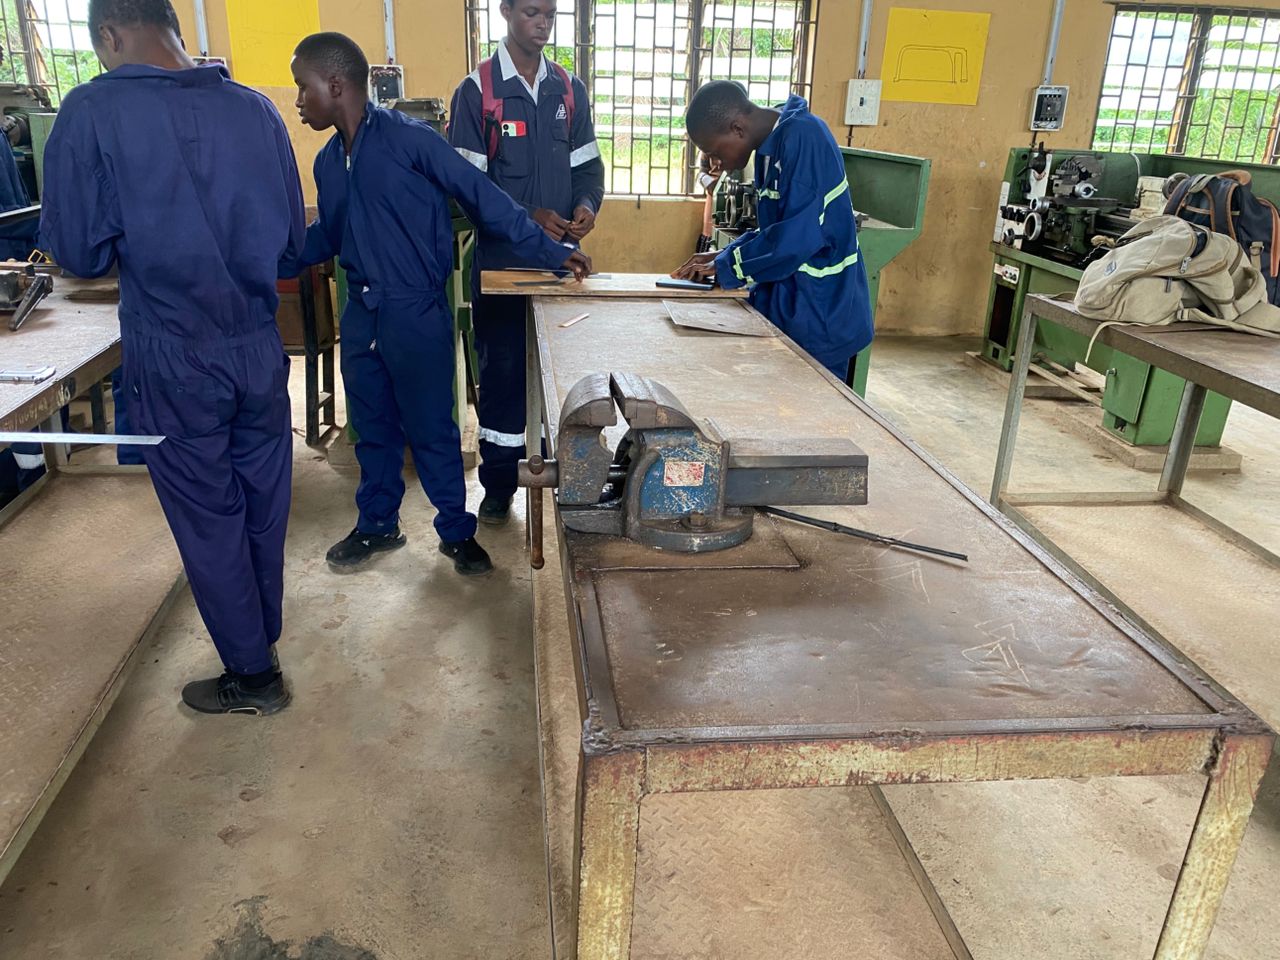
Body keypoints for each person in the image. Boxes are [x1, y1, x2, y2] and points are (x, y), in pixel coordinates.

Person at [40, 0, 306, 716]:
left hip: (174, 352)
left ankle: (253, 675)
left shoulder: (92, 112)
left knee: (209, 513)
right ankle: (261, 638)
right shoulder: (257, 110)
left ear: (109, 34)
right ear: (174, 27)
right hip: (258, 345)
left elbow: (78, 252)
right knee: (261, 502)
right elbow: (291, 246)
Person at [285, 33, 590, 575]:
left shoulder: (410, 141)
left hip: (415, 311)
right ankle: (377, 524)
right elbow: (327, 234)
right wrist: (260, 261)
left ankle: (455, 530)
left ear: (334, 85)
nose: (298, 101)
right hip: (362, 313)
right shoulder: (329, 161)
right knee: (372, 428)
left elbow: (483, 197)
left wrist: (550, 251)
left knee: (432, 428)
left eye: (302, 88)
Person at [447, 0, 604, 526]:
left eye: (550, 14)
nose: (543, 23)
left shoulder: (568, 90)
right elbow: (467, 188)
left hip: (559, 268)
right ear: (506, 12)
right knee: (504, 375)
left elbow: (588, 167)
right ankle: (498, 486)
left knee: (557, 377)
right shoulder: (479, 92)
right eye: (532, 12)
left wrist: (586, 205)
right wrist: (528, 216)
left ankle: (559, 477)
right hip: (502, 269)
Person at [672, 81, 873, 382]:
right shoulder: (770, 149)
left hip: (821, 316)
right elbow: (774, 230)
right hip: (793, 306)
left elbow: (795, 240)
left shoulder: (805, 138)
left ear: (737, 128)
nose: (715, 164)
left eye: (714, 152)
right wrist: (724, 253)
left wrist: (730, 264)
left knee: (812, 406)